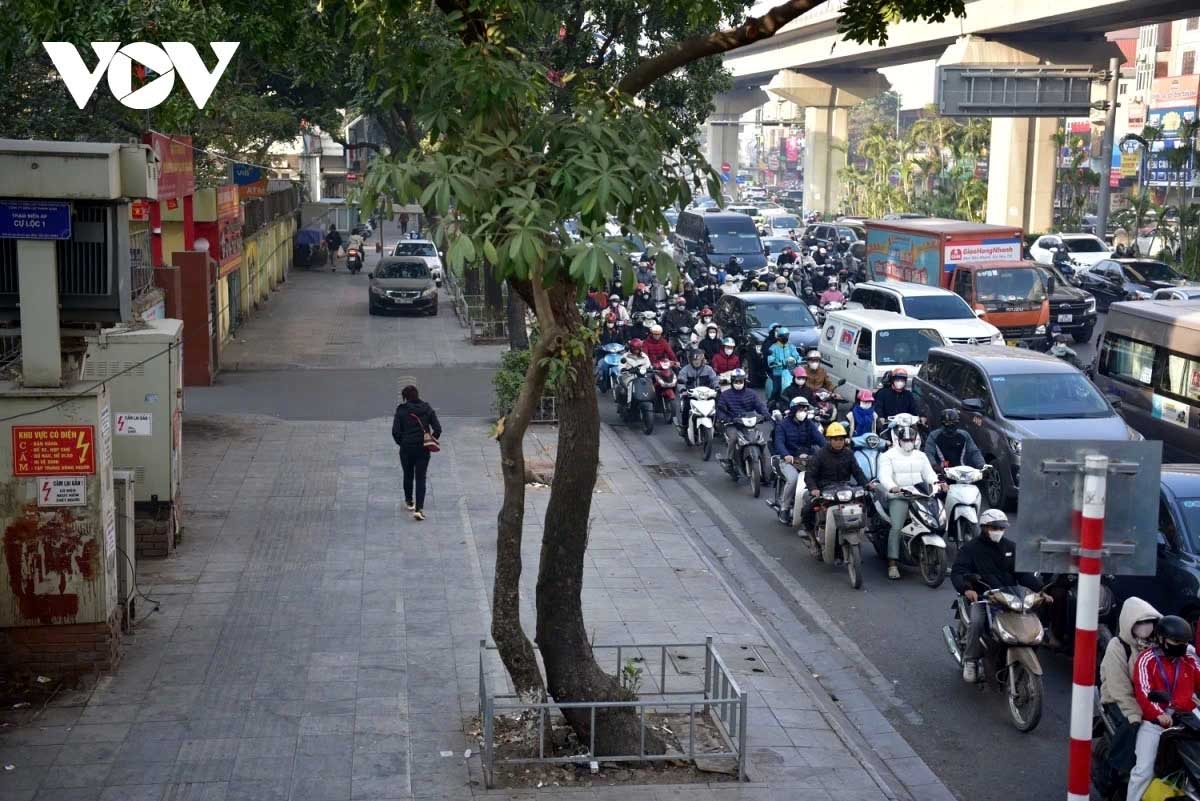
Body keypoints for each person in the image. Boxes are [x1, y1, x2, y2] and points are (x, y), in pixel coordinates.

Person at [950, 509, 1045, 682]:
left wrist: (1041, 590)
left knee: (1032, 620)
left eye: (1002, 528)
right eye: (995, 527)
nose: (999, 531)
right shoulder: (970, 549)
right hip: (982, 598)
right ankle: (970, 660)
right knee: (977, 622)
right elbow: (958, 572)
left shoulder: (1010, 547)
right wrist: (967, 588)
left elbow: (1023, 574)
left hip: (1010, 598)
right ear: (984, 527)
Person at [1127, 616, 1200, 801]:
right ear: (1161, 639)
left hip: (1186, 722)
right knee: (1143, 771)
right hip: (1156, 724)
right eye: (1176, 642)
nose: (1181, 646)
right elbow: (1143, 691)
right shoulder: (1147, 660)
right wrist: (1158, 714)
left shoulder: (1189, 659)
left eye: (1184, 642)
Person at [1096, 597, 1162, 795]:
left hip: (1151, 699)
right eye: (1140, 622)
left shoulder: (1157, 645)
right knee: (1132, 728)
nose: (1146, 627)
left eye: (1150, 621)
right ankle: (1113, 774)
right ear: (1129, 623)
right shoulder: (1118, 647)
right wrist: (1134, 713)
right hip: (1120, 700)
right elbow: (1118, 688)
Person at [877, 426, 945, 579]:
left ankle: (937, 558)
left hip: (921, 495)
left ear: (916, 441)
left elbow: (929, 474)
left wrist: (937, 483)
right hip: (900, 496)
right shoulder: (888, 456)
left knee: (935, 520)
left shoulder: (920, 456)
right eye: (905, 440)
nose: (908, 442)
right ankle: (892, 563)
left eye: (910, 440)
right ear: (899, 440)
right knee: (897, 527)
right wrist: (892, 487)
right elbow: (884, 475)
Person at [802, 422, 875, 533]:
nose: (839, 442)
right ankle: (810, 534)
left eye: (841, 439)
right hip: (824, 488)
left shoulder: (848, 453)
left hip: (845, 487)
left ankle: (869, 527)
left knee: (869, 500)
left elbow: (857, 472)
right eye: (835, 439)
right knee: (807, 509)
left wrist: (866, 484)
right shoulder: (820, 454)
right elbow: (810, 475)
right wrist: (813, 489)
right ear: (829, 440)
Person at [772, 397, 827, 524]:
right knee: (793, 479)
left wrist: (830, 450)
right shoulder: (782, 425)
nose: (803, 411)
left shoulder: (809, 425)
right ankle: (784, 509)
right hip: (789, 460)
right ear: (793, 409)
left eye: (805, 409)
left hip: (807, 459)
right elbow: (779, 442)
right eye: (800, 408)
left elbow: (821, 440)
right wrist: (785, 454)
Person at [392, 385, 443, 521]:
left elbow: (395, 432)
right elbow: (438, 428)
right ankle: (419, 509)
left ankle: (409, 501)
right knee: (421, 478)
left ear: (405, 397)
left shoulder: (401, 410)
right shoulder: (427, 408)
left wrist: (402, 442)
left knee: (407, 474)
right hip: (423, 448)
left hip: (406, 448)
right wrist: (431, 439)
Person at [716, 368, 769, 481]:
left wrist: (765, 414)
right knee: (733, 438)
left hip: (749, 423)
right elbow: (720, 410)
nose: (739, 384)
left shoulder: (751, 394)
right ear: (732, 381)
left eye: (741, 381)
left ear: (744, 381)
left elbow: (759, 405)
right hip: (733, 424)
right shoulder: (725, 395)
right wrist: (725, 418)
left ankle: (764, 472)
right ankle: (729, 461)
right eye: (736, 381)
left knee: (760, 441)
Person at [676, 350, 720, 425]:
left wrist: (717, 386)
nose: (696, 362)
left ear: (702, 360)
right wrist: (683, 390)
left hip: (707, 394)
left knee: (717, 405)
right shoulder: (685, 370)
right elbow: (680, 381)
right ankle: (685, 426)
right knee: (686, 407)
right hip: (691, 394)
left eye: (698, 360)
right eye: (694, 360)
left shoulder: (708, 369)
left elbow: (714, 379)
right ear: (690, 360)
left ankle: (716, 424)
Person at [766, 328, 800, 405]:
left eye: (787, 335)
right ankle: (771, 402)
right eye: (784, 336)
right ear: (779, 337)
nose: (786, 337)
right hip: (778, 372)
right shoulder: (773, 348)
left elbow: (797, 356)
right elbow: (770, 360)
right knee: (776, 389)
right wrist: (776, 363)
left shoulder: (791, 346)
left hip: (791, 371)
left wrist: (795, 360)